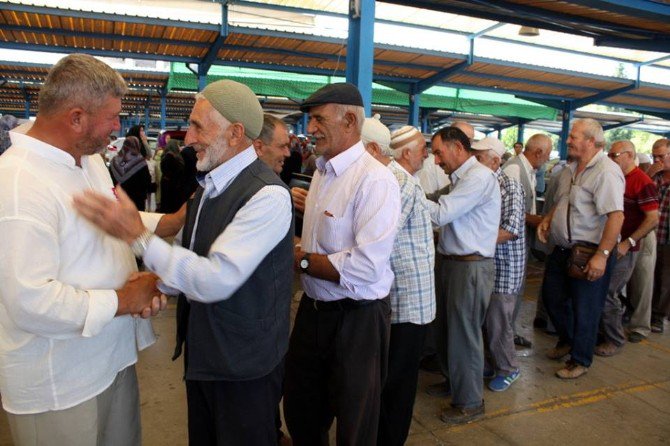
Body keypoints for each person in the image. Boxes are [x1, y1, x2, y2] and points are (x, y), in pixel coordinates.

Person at [74, 79, 294, 445]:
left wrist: (138, 237)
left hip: (244, 367)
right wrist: (157, 283)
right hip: (208, 356)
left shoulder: (268, 196)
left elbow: (216, 278)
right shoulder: (210, 185)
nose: (188, 137)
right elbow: (191, 255)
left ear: (236, 133)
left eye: (198, 126)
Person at [0, 53, 170, 446]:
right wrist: (124, 300)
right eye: (112, 116)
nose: (118, 126)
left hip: (110, 358)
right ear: (76, 117)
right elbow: (30, 300)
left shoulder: (87, 161)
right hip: (60, 382)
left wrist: (170, 224)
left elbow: (114, 222)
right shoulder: (19, 182)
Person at [283, 83, 400, 445]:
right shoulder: (322, 172)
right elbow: (322, 240)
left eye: (318, 119)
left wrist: (300, 261)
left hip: (358, 320)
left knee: (355, 424)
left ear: (350, 120)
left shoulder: (375, 180)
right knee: (302, 410)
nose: (311, 128)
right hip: (314, 313)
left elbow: (365, 267)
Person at [364, 121, 435, 446]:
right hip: (405, 302)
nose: (426, 154)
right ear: (406, 152)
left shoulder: (399, 181)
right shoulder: (399, 181)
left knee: (395, 383)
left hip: (407, 303)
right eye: (422, 149)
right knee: (395, 383)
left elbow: (380, 238)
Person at [538, 118, 624, 379]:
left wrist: (602, 255)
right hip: (564, 249)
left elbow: (616, 217)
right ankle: (567, 340)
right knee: (552, 298)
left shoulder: (606, 172)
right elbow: (566, 200)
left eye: (573, 136)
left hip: (589, 253)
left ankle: (580, 359)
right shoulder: (571, 169)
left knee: (586, 308)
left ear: (589, 141)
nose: (568, 140)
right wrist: (549, 218)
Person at [427, 127, 500, 425]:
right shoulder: (459, 179)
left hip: (470, 267)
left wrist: (401, 195)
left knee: (464, 335)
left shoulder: (478, 178)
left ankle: (470, 402)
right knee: (445, 329)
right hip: (451, 263)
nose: (435, 160)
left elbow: (440, 212)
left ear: (457, 147)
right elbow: (432, 197)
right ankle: (454, 381)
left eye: (439, 152)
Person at [472, 137, 526, 392]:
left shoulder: (510, 186)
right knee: (484, 318)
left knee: (498, 321)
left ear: (495, 160)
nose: (475, 162)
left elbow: (511, 229)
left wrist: (474, 240)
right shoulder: (484, 182)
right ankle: (490, 363)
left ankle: (508, 368)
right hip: (487, 261)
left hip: (505, 265)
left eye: (479, 158)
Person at [596, 140, 658, 355]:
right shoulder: (615, 177)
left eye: (615, 155)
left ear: (630, 156)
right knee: (601, 291)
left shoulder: (642, 181)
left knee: (608, 294)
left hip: (625, 249)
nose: (610, 159)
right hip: (609, 244)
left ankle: (614, 338)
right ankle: (603, 333)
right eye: (609, 155)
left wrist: (628, 242)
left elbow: (652, 218)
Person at [503, 134, 553, 347]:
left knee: (518, 289)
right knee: (510, 291)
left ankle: (509, 332)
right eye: (548, 154)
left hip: (522, 240)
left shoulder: (530, 171)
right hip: (510, 242)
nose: (548, 159)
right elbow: (508, 211)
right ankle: (504, 336)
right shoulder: (514, 169)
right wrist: (539, 220)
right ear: (539, 152)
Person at [648, 138, 670, 334]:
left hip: (667, 238)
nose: (657, 160)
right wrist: (648, 175)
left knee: (665, 280)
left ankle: (658, 316)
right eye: (654, 156)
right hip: (649, 235)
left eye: (661, 156)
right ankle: (638, 311)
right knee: (645, 277)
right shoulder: (653, 177)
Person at [110, 135, 152, 211]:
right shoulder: (140, 161)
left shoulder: (114, 161)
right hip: (137, 202)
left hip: (119, 200)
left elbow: (109, 181)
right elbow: (147, 181)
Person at [158, 139, 185, 213]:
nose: (179, 147)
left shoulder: (166, 155)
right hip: (171, 185)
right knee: (169, 206)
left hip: (167, 184)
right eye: (177, 145)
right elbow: (170, 172)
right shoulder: (170, 156)